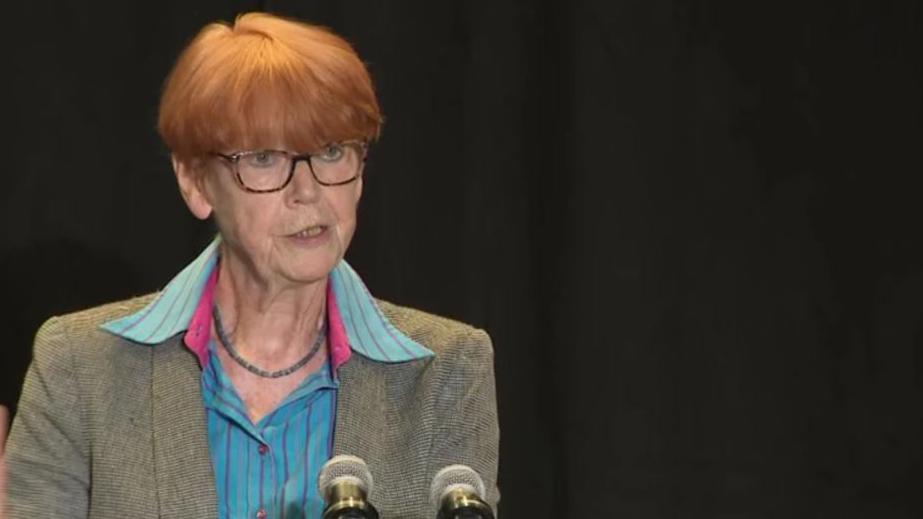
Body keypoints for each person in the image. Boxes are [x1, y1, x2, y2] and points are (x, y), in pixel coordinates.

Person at [3, 12, 499, 519]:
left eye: (331, 151)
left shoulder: (446, 371)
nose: (308, 192)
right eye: (264, 158)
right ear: (195, 181)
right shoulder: (80, 369)